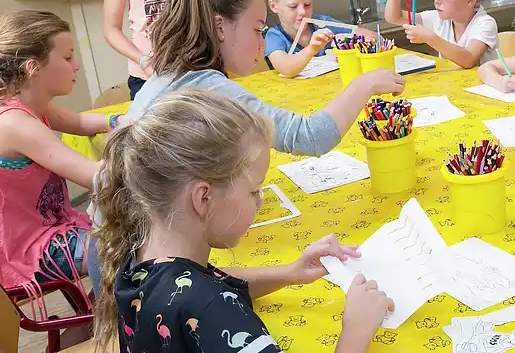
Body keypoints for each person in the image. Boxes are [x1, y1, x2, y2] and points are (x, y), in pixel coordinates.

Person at [92, 89, 394, 353]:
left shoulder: (138, 257)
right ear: (203, 199)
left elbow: (204, 282)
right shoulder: (214, 310)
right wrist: (356, 331)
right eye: (253, 191)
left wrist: (290, 273)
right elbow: (209, 300)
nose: (260, 202)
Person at [126, 0, 405, 157]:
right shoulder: (208, 90)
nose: (262, 43)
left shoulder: (167, 76)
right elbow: (310, 137)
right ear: (220, 27)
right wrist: (364, 85)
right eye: (258, 29)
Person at [0, 10, 114, 312]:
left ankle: (100, 319)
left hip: (47, 231)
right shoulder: (16, 124)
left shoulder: (30, 106)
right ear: (33, 67)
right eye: (67, 58)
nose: (76, 66)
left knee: (129, 245)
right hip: (30, 250)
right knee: (130, 246)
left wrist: (121, 120)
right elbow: (95, 176)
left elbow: (77, 121)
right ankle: (105, 326)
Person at [264, 0, 376, 77]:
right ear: (274, 6)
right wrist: (311, 49)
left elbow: (370, 36)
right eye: (293, 6)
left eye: (307, 4)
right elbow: (286, 69)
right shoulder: (274, 37)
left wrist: (355, 50)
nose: (302, 12)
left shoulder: (323, 23)